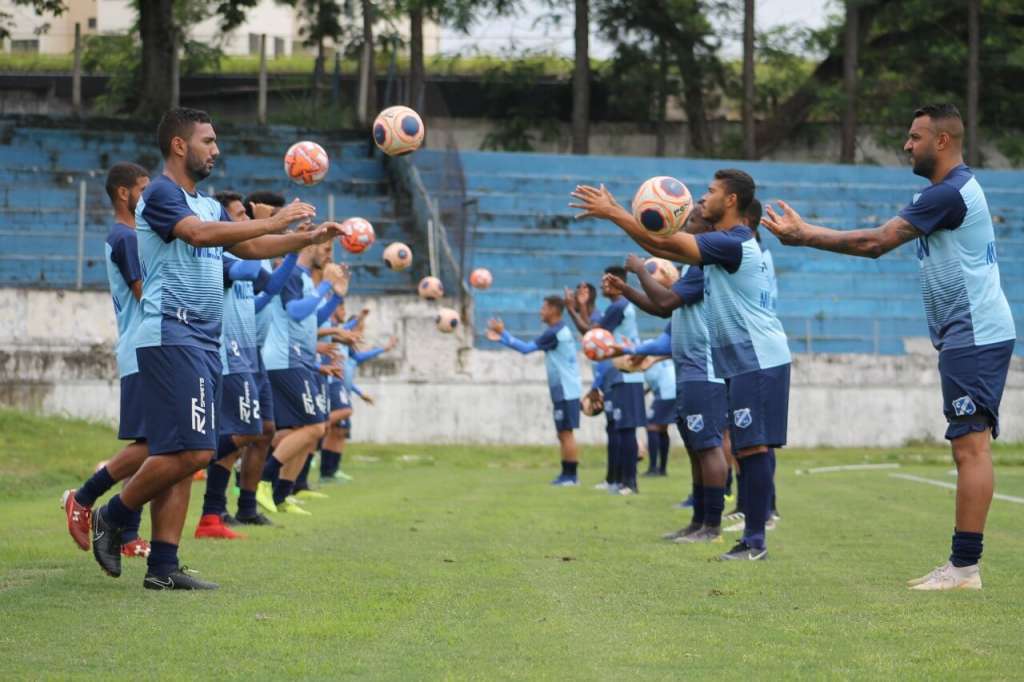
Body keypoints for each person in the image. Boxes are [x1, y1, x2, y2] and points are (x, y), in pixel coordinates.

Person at [762, 104, 1016, 589]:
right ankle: (964, 566)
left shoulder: (949, 193)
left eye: (915, 136)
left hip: (975, 332)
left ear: (942, 141)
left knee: (971, 446)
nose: (907, 145)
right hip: (971, 333)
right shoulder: (948, 192)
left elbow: (876, 243)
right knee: (969, 443)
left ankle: (964, 568)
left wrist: (805, 235)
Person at [89, 107, 342, 590]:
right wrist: (279, 221)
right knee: (195, 450)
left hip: (203, 340)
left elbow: (245, 251)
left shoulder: (203, 202)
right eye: (208, 140)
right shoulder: (163, 194)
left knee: (186, 452)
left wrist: (303, 238)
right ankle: (113, 513)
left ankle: (163, 567)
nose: (216, 149)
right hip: (171, 333)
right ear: (180, 145)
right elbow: (199, 236)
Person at [572, 169, 791, 560]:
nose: (701, 199)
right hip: (742, 359)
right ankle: (747, 537)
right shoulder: (719, 248)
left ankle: (754, 541)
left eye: (710, 192)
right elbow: (666, 247)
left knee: (752, 449)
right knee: (747, 447)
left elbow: (664, 248)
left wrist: (615, 212)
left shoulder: (735, 242)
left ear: (731, 202)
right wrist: (623, 222)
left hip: (758, 357)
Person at [602, 222, 730, 543]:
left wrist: (638, 271)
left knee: (708, 447)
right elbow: (664, 323)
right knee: (695, 448)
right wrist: (627, 289)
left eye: (694, 217)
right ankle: (699, 522)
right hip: (688, 372)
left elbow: (665, 303)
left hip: (706, 372)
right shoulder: (690, 269)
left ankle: (712, 526)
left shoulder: (705, 267)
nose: (685, 223)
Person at [192, 192, 298, 539]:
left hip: (251, 354)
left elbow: (270, 290)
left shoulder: (241, 251)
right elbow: (249, 268)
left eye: (242, 215)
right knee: (241, 432)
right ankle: (208, 503)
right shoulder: (221, 255)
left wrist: (294, 247)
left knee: (264, 429)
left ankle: (247, 506)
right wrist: (264, 226)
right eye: (237, 216)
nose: (241, 221)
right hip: (229, 354)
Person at [62, 162, 152, 559]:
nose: (148, 197)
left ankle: (128, 534)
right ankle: (83, 498)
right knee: (155, 444)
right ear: (123, 193)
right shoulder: (126, 238)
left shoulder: (128, 235)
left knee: (152, 443)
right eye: (143, 189)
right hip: (144, 348)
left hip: (141, 347)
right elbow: (146, 296)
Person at [255, 239, 347, 516]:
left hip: (300, 360)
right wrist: (326, 286)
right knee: (315, 428)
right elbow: (295, 312)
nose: (329, 257)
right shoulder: (291, 272)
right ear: (311, 245)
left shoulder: (304, 277)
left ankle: (282, 494)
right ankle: (263, 480)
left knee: (304, 432)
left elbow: (312, 318)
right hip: (285, 358)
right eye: (327, 249)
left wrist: (337, 297)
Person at [487, 296, 583, 486]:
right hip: (564, 389)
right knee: (563, 433)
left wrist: (502, 334)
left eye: (544, 308)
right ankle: (566, 474)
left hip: (566, 389)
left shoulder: (555, 332)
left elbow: (526, 349)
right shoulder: (559, 330)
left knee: (566, 433)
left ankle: (571, 477)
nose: (541, 311)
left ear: (554, 310)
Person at [640, 347, 675, 477]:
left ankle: (653, 468)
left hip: (665, 393)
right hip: (674, 390)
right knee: (662, 428)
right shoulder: (660, 360)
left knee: (651, 426)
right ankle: (662, 469)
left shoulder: (647, 362)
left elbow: (651, 377)